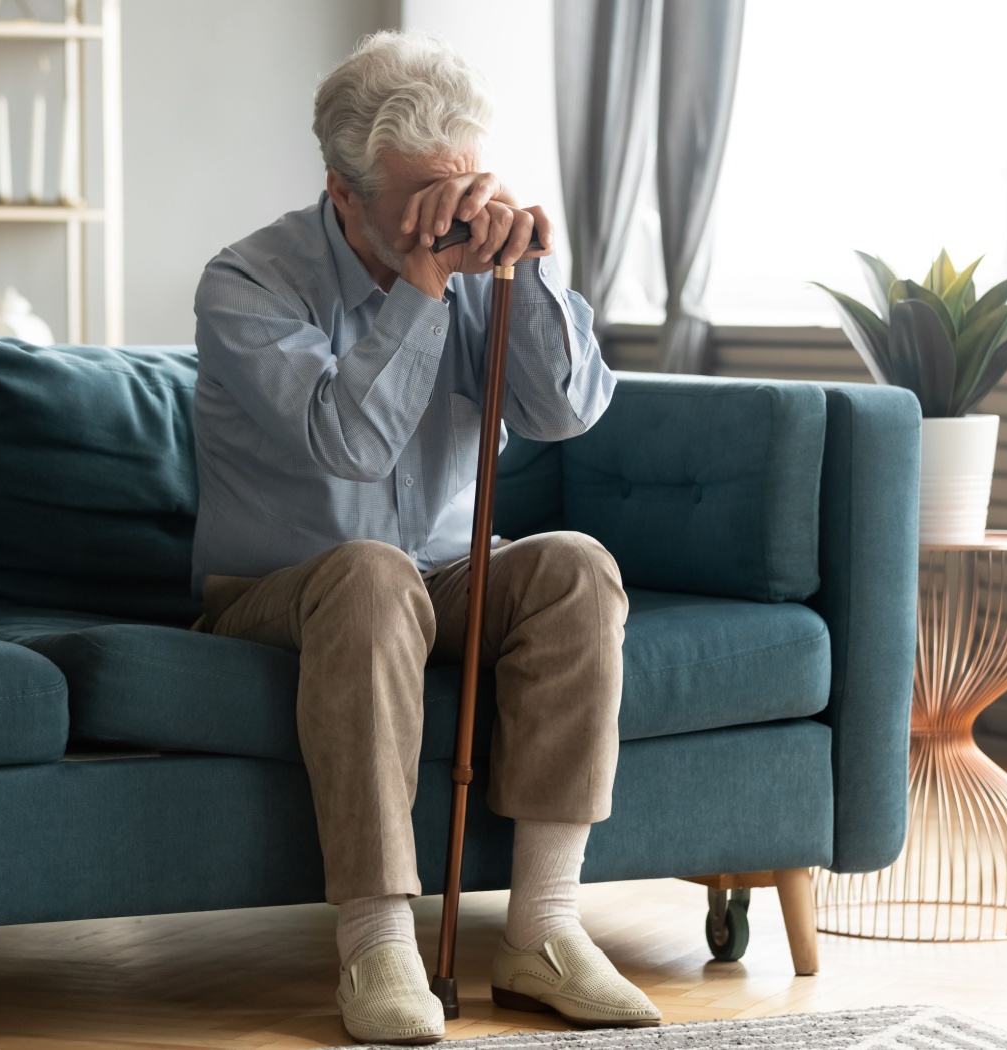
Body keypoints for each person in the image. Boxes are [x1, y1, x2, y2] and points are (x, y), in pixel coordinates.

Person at [190, 29, 660, 1045]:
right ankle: (376, 944)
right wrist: (419, 289)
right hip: (280, 591)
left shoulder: (484, 255)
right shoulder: (247, 283)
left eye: (468, 184)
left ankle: (544, 929)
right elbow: (348, 445)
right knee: (368, 573)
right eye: (420, 194)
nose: (452, 214)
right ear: (343, 191)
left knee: (576, 566)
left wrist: (527, 276)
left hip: (445, 578)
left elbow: (564, 412)